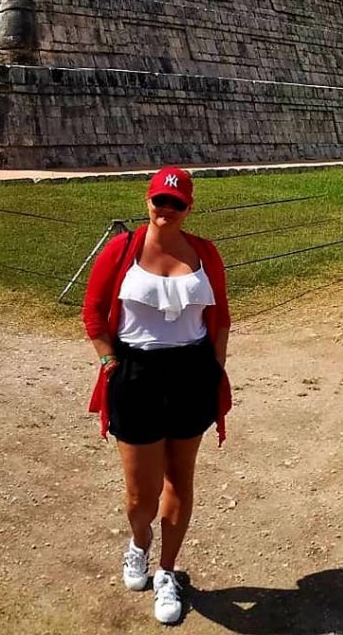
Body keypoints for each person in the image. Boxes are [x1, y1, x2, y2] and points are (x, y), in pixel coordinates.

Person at [82, 166, 232, 625]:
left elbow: (221, 316)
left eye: (176, 203)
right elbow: (92, 312)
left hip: (191, 373)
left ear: (188, 207)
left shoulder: (205, 253)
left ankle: (167, 570)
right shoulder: (122, 250)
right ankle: (138, 544)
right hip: (136, 373)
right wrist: (111, 363)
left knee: (180, 480)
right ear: (147, 202)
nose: (166, 209)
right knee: (139, 496)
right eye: (158, 201)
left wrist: (214, 370)